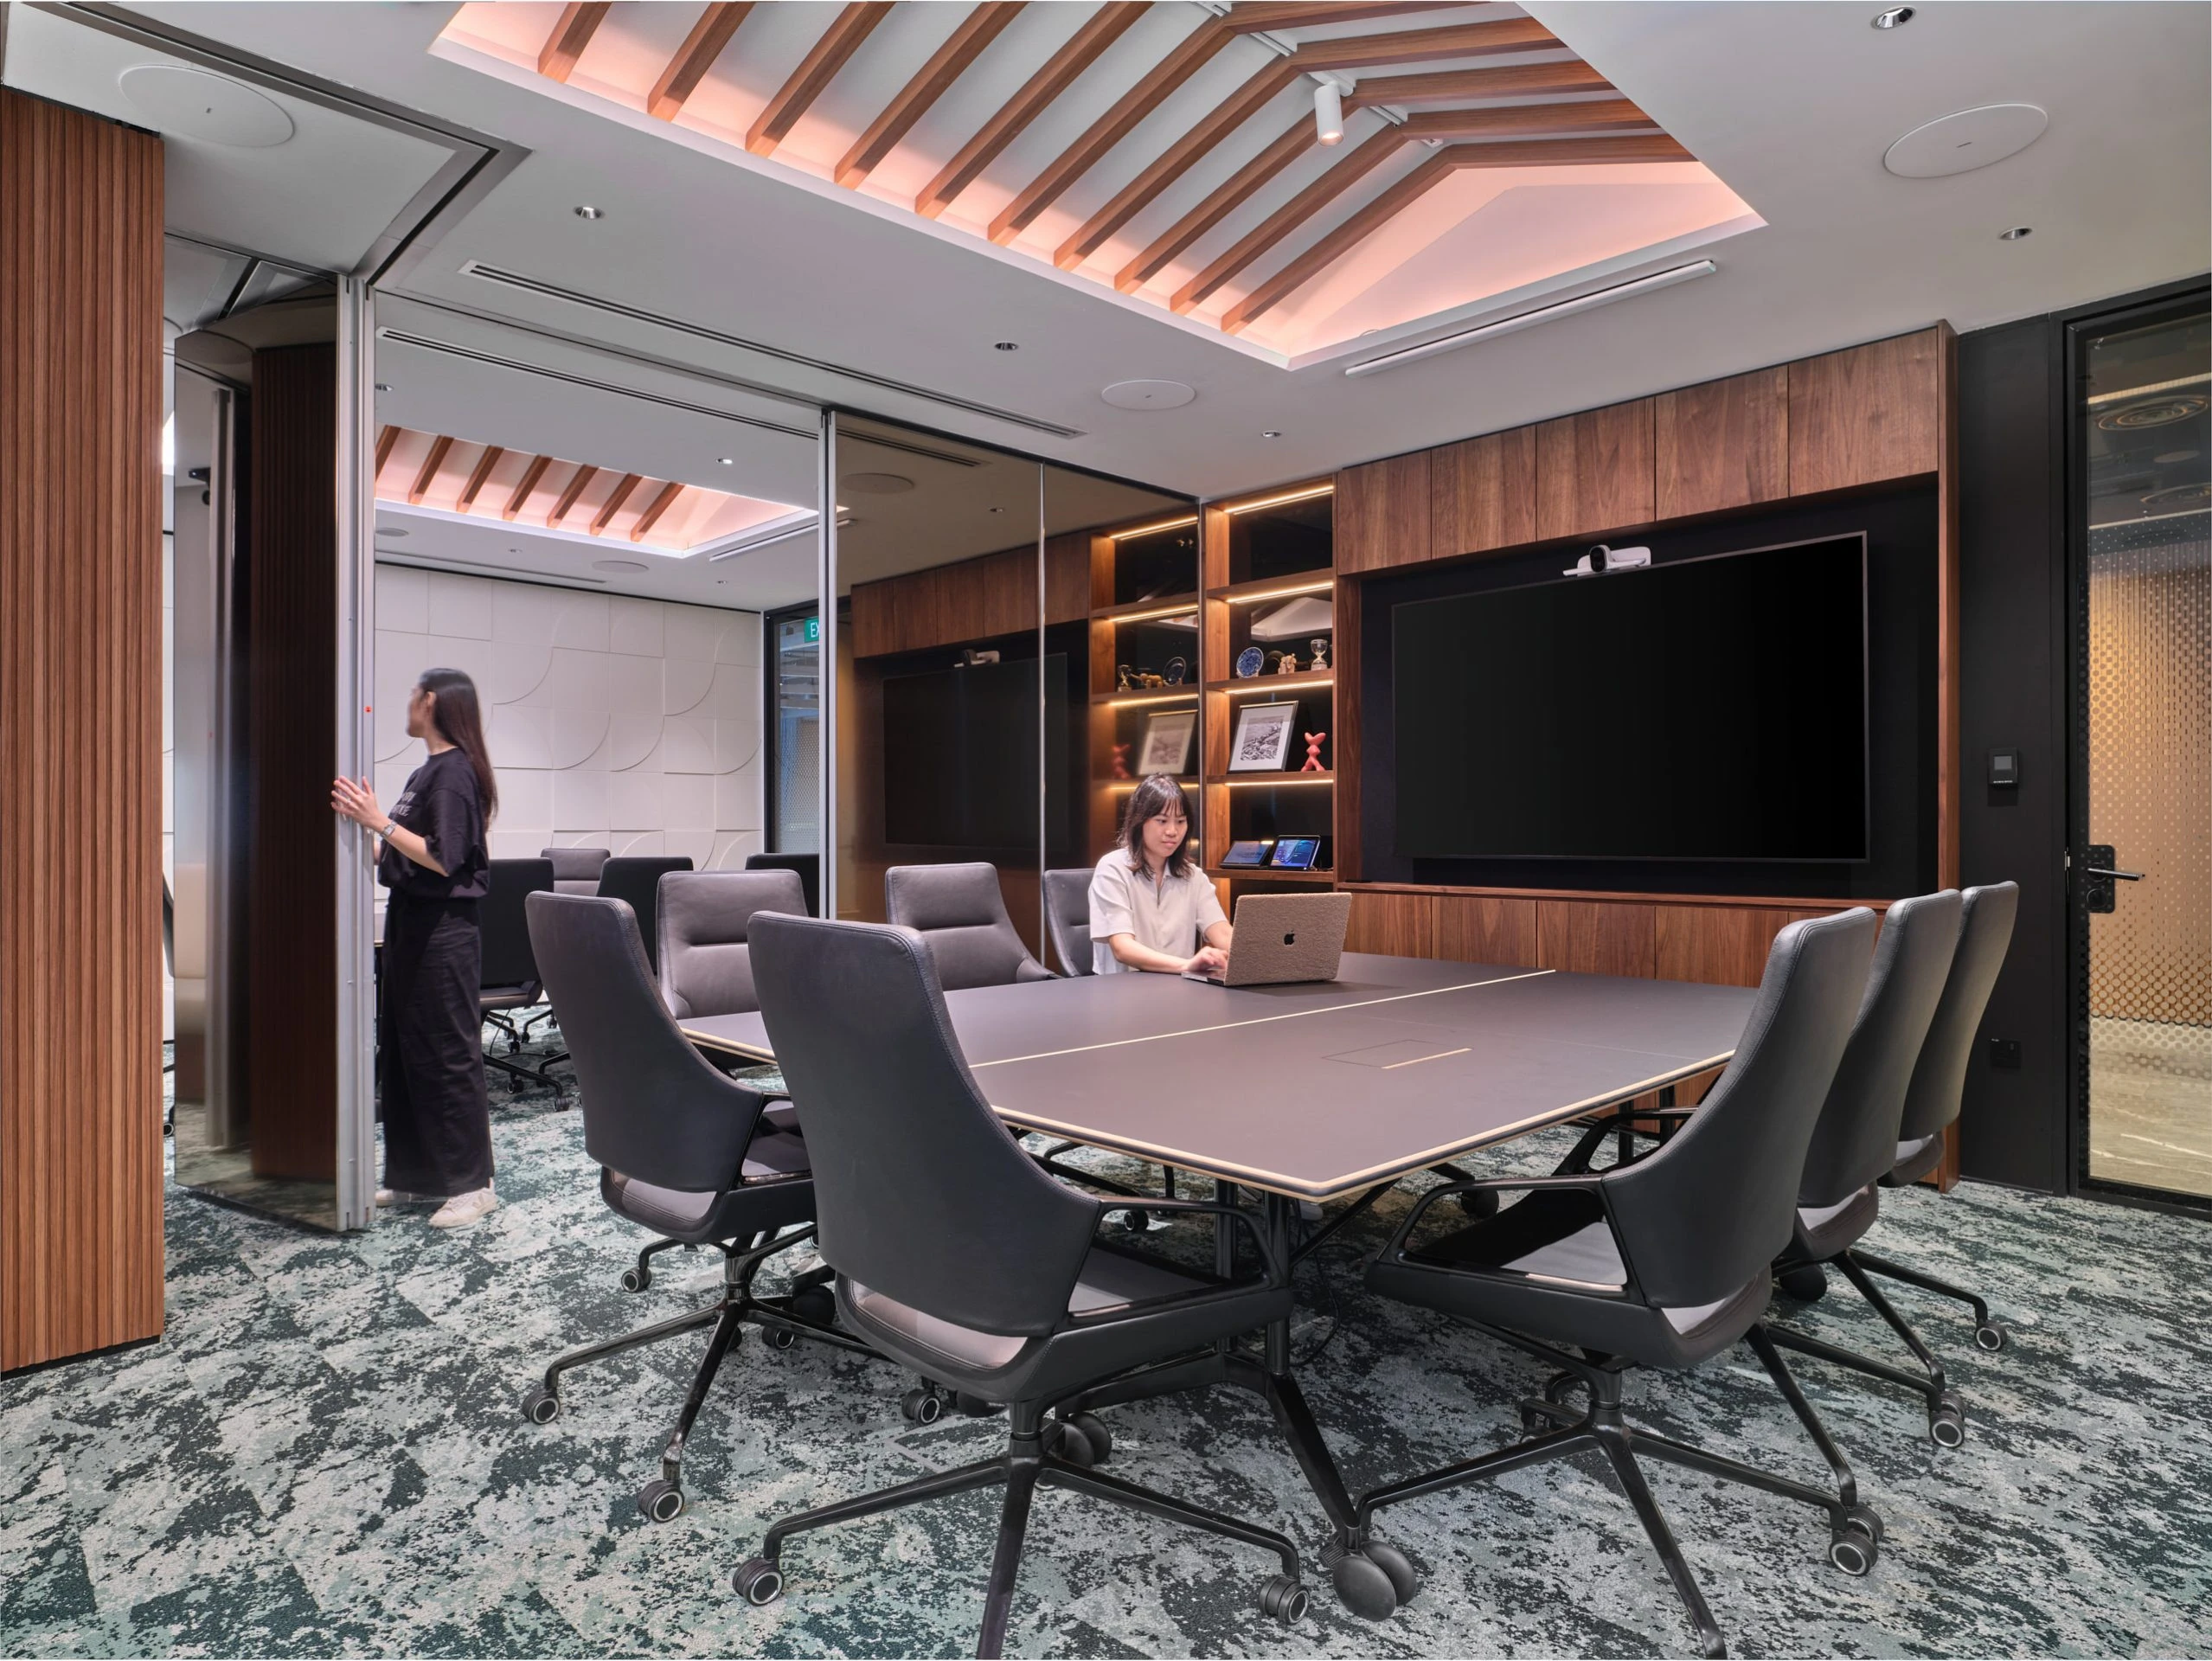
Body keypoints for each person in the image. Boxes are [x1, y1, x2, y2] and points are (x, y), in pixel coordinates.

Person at [330, 667, 499, 1228]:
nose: (406, 704)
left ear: (430, 702)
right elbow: (405, 855)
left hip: (444, 933)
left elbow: (445, 856)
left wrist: (377, 821)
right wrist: (365, 826)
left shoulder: (453, 774)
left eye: (411, 695)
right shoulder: (425, 772)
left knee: (448, 1058)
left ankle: (473, 1184)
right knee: (403, 1056)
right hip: (410, 925)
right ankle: (416, 1177)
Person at [1089, 773, 1234, 976]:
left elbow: (1222, 933)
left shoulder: (1193, 875)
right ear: (1140, 822)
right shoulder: (1112, 868)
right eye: (1162, 821)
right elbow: (1122, 948)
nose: (1173, 831)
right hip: (1122, 991)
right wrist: (1187, 965)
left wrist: (1261, 958)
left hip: (1178, 990)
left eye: (1181, 821)